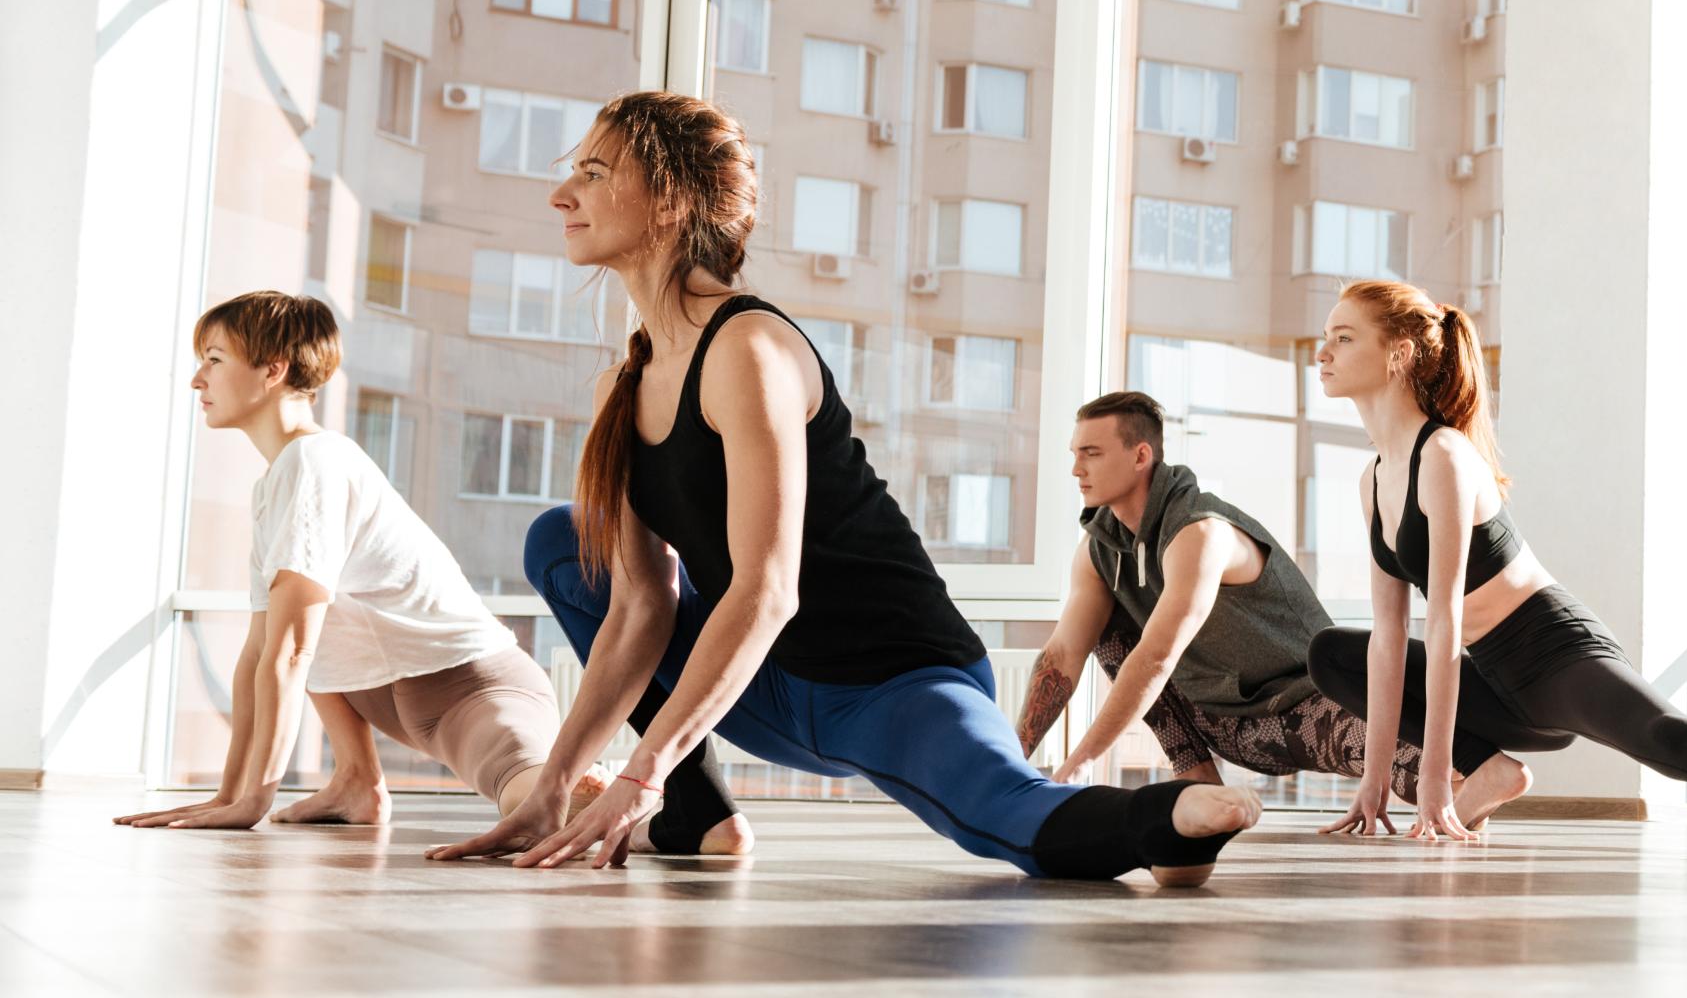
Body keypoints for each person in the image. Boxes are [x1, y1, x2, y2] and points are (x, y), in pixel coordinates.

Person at [427, 92, 1255, 885]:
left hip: (891, 680)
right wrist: (552, 785)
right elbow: (641, 605)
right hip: (763, 689)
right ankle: (696, 814)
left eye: (595, 173)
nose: (561, 193)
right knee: (562, 540)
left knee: (1003, 817)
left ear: (672, 201)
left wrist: (635, 776)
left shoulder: (747, 347)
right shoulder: (628, 381)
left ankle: (1173, 820)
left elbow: (766, 588)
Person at [1302, 280, 1687, 854]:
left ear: (1399, 353)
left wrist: (1433, 781)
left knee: (1659, 736)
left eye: (1343, 339)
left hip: (1552, 651)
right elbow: (1391, 636)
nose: (1322, 352)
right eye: (1326, 338)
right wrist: (1373, 782)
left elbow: (1441, 619)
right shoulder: (1373, 479)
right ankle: (1492, 771)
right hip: (1491, 676)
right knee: (1332, 654)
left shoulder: (1443, 455)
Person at [117, 291, 638, 838]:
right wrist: (228, 796)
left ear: (273, 370)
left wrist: (254, 801)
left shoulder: (314, 462)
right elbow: (260, 651)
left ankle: (649, 811)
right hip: (389, 689)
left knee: (532, 801)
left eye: (214, 360)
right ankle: (355, 779)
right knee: (294, 622)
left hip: (471, 686)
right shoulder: (274, 482)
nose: (198, 379)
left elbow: (291, 653)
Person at [1018, 391, 1535, 826]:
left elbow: (1156, 658)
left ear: (1140, 456)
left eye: (1091, 452)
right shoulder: (1099, 549)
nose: (1075, 468)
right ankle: (1197, 783)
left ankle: (1485, 773)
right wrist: (1011, 762)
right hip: (1224, 720)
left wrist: (1078, 765)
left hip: (1299, 705)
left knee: (1406, 776)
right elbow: (1062, 654)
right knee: (1106, 626)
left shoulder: (1200, 532)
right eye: (1075, 452)